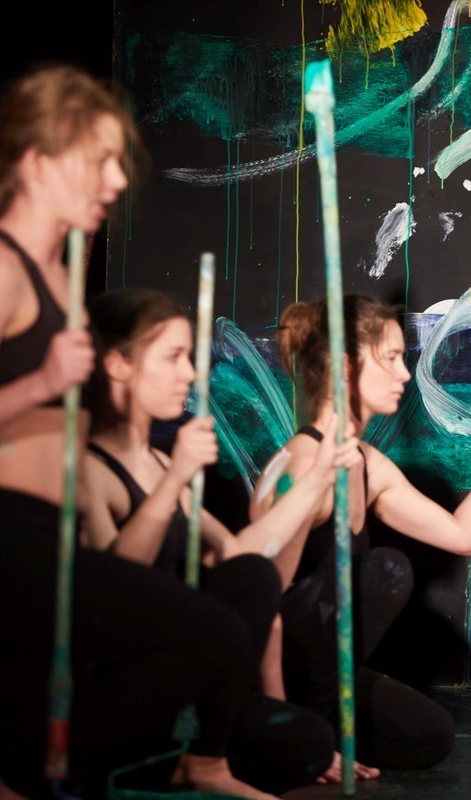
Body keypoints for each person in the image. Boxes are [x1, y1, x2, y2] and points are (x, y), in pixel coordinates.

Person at [0, 64, 282, 800]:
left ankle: (48, 779)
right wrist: (41, 384)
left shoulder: (59, 275)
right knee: (209, 635)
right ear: (37, 161)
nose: (117, 181)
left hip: (48, 534)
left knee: (32, 773)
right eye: (102, 160)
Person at [83, 287, 373, 793]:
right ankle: (197, 764)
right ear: (118, 365)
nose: (189, 374)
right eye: (173, 357)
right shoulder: (86, 469)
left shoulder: (157, 463)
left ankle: (201, 758)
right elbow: (114, 591)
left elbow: (243, 557)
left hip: (181, 677)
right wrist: (175, 480)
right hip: (118, 686)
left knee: (306, 739)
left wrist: (316, 480)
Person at [251, 294, 471, 771]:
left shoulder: (365, 463)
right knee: (385, 570)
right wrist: (285, 728)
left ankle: (320, 729)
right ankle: (286, 736)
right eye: (390, 358)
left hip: (320, 667)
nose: (405, 374)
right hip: (265, 675)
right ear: (346, 368)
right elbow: (259, 609)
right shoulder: (305, 468)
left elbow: (464, 536)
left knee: (426, 734)